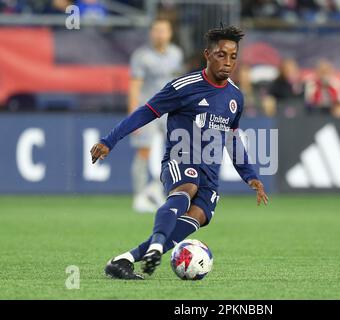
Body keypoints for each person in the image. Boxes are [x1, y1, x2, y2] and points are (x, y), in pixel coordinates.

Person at [90, 25, 269, 280]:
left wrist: (250, 176)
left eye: (233, 56)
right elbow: (146, 112)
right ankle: (156, 246)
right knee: (187, 189)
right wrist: (110, 140)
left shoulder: (236, 97)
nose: (228, 62)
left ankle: (124, 260)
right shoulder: (184, 86)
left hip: (210, 170)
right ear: (207, 54)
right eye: (221, 55)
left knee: (201, 214)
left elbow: (232, 137)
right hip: (180, 159)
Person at [128, 18, 184, 213]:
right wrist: (133, 115)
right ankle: (139, 196)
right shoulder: (141, 56)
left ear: (170, 33)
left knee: (177, 152)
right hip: (148, 109)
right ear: (151, 33)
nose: (160, 34)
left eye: (163, 30)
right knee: (144, 150)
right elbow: (135, 85)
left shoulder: (176, 54)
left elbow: (178, 82)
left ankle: (157, 189)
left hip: (170, 111)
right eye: (156, 30)